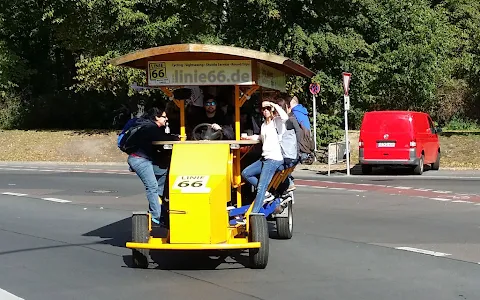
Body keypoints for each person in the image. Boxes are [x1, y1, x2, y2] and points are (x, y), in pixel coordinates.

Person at [127, 106, 179, 226]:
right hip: (140, 160)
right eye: (164, 117)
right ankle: (156, 216)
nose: (166, 119)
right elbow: (162, 138)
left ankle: (158, 204)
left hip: (144, 159)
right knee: (152, 186)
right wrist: (175, 138)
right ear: (157, 117)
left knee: (163, 172)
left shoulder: (151, 127)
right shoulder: (151, 127)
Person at [241, 97, 289, 214]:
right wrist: (247, 137)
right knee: (246, 173)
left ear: (272, 109)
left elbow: (285, 117)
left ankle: (254, 213)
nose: (265, 111)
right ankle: (267, 194)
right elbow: (260, 137)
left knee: (261, 187)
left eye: (267, 108)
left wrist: (272, 103)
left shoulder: (277, 122)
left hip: (273, 159)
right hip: (264, 158)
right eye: (263, 109)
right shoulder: (264, 125)